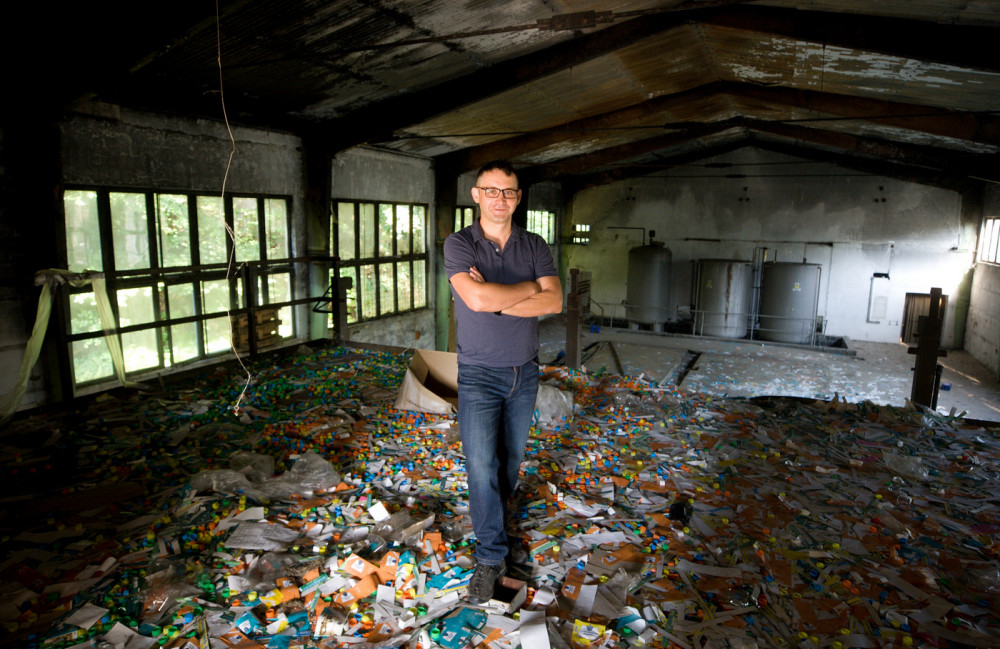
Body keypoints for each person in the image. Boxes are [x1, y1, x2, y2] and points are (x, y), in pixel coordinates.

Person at [443, 160, 563, 604]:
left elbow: (554, 301)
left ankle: (496, 524)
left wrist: (496, 300)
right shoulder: (460, 244)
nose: (500, 199)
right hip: (478, 373)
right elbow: (475, 298)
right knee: (481, 466)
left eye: (508, 192)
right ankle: (491, 556)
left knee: (508, 463)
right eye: (491, 190)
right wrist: (527, 289)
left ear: (518, 197)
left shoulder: (534, 244)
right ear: (476, 195)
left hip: (524, 371)